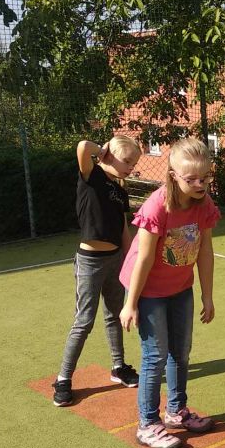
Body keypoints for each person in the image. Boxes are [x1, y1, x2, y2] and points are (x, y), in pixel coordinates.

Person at [119, 137, 219, 448]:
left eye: (205, 177)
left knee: (181, 351)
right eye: (192, 179)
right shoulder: (157, 207)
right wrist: (130, 303)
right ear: (174, 176)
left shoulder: (204, 204)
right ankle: (147, 424)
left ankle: (176, 411)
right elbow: (144, 258)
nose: (200, 184)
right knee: (155, 355)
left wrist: (207, 296)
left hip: (180, 287)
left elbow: (205, 252)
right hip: (147, 289)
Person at [53, 135, 142, 406]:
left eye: (134, 163)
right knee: (84, 321)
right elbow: (83, 147)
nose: (131, 167)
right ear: (109, 156)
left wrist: (130, 261)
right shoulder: (91, 176)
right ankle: (63, 379)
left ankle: (118, 367)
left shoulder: (120, 191)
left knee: (114, 315)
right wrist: (103, 152)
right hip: (90, 262)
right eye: (127, 161)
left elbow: (123, 228)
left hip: (115, 259)